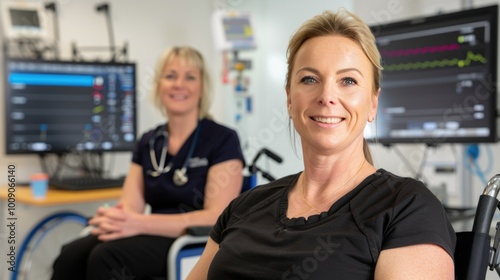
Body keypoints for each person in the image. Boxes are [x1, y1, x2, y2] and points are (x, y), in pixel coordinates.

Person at [187, 9, 455, 280]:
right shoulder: (244, 207)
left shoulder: (407, 209)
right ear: (290, 100)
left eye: (348, 81)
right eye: (310, 79)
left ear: (373, 103)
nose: (327, 96)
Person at [51, 46, 245, 280]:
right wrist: (112, 218)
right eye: (170, 76)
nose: (178, 84)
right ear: (159, 85)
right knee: (70, 255)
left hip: (192, 241)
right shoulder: (148, 141)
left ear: (202, 87)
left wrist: (140, 223)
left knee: (107, 258)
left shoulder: (223, 139)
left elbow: (216, 217)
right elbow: (130, 208)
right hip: (148, 232)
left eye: (190, 77)